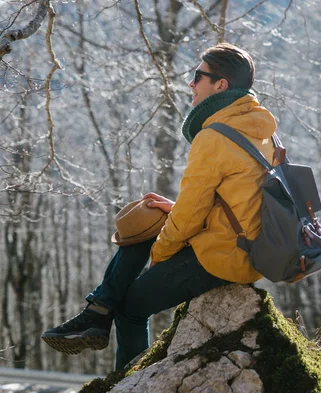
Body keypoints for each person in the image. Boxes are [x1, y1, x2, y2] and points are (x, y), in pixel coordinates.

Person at [41, 43, 277, 370]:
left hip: (225, 256)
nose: (191, 84)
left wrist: (160, 254)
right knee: (151, 218)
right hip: (247, 246)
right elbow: (239, 198)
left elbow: (190, 218)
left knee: (131, 306)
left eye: (198, 76)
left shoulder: (215, 137)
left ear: (220, 85)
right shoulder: (262, 130)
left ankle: (125, 380)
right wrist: (172, 213)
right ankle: (97, 312)